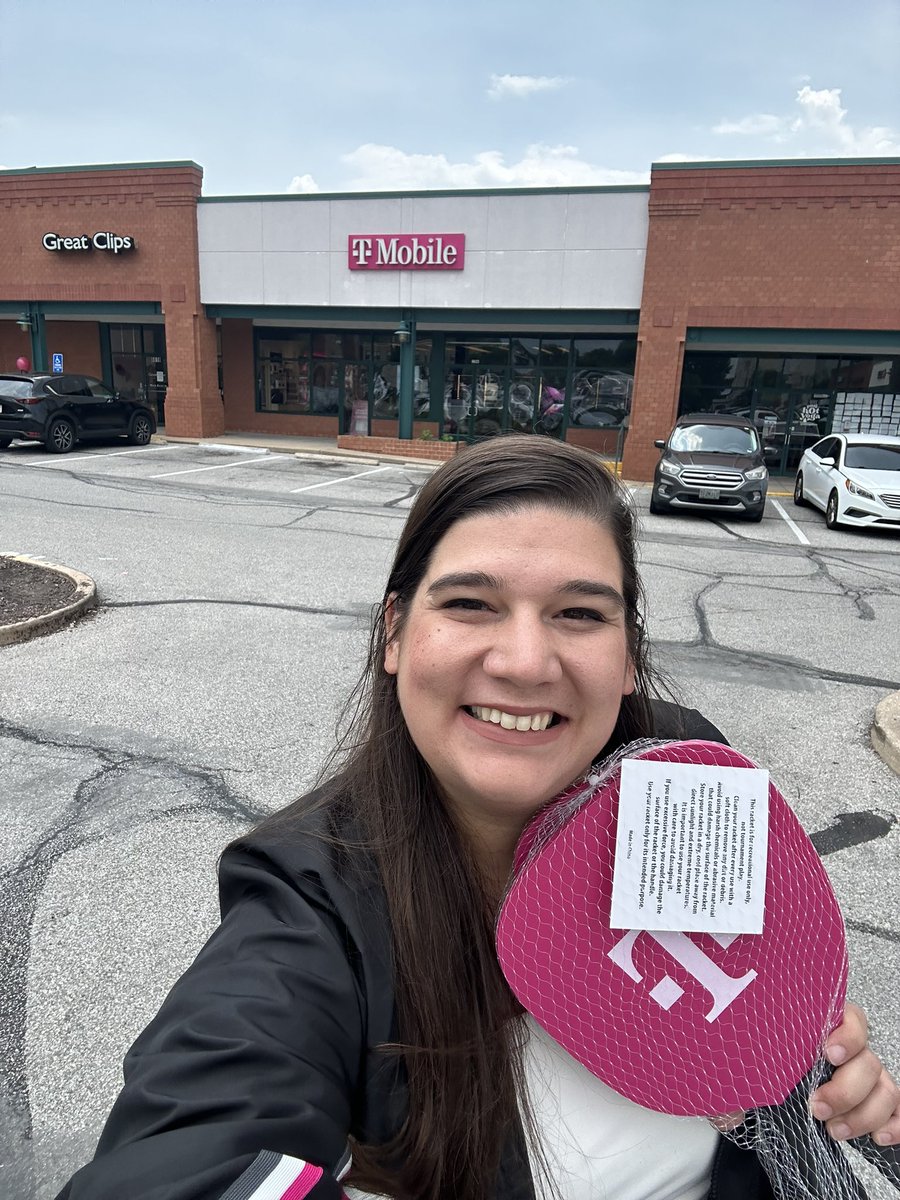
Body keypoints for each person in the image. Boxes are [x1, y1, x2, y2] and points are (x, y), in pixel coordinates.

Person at [58, 436, 899, 1200]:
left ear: (629, 654)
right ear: (394, 633)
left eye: (580, 613)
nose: (526, 663)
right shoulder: (313, 902)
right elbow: (190, 1147)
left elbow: (753, 1002)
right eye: (469, 604)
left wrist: (820, 1074)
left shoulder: (686, 778)